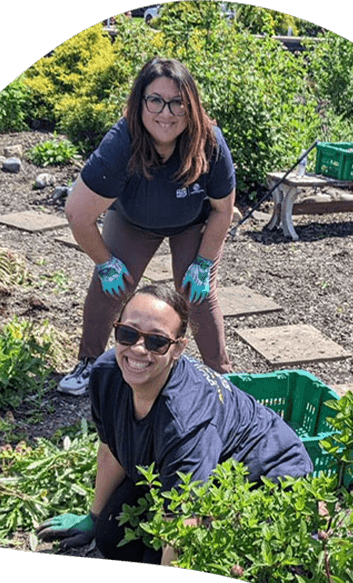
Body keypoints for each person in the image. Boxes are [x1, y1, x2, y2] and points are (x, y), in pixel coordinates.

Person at [37, 284, 313, 564]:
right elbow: (111, 448)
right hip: (199, 466)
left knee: (220, 559)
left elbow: (185, 522)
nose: (138, 349)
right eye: (128, 334)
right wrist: (94, 518)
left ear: (179, 347)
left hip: (265, 477)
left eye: (157, 341)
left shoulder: (184, 421)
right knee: (111, 537)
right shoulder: (107, 374)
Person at [58, 57, 237, 396]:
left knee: (196, 292)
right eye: (155, 100)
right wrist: (105, 263)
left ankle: (222, 377)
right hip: (133, 220)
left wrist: (203, 263)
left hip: (191, 221)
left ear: (191, 105)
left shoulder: (210, 142)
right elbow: (77, 214)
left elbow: (223, 211)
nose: (166, 113)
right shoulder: (121, 143)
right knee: (112, 286)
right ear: (140, 102)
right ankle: (90, 361)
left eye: (177, 102)